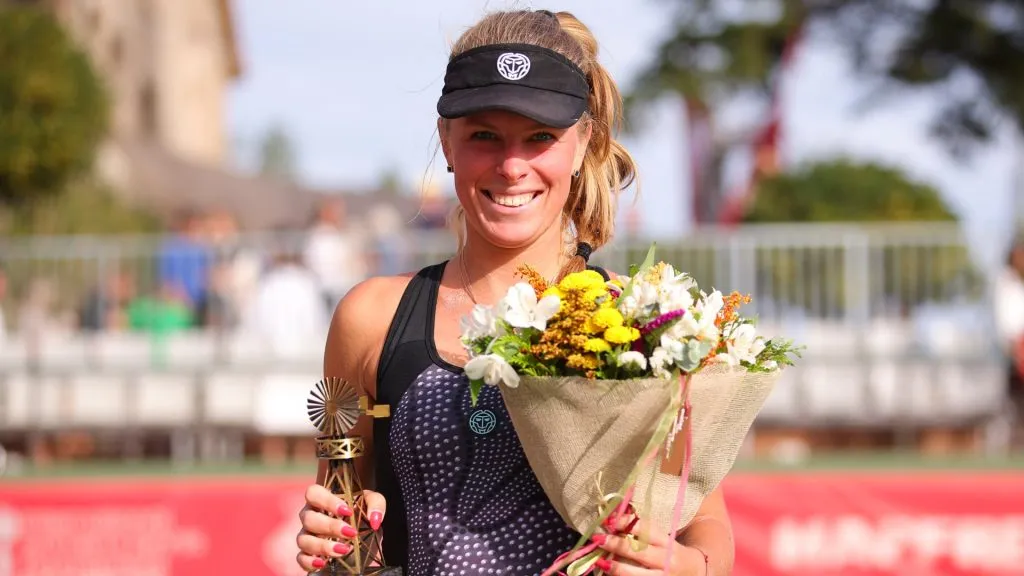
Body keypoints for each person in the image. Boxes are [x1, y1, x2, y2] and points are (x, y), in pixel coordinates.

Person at [295, 10, 736, 575]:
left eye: (540, 138)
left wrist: (682, 566)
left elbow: (707, 526)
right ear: (446, 141)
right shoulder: (371, 317)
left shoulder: (647, 323)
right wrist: (334, 543)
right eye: (484, 136)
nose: (511, 166)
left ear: (582, 146)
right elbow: (341, 517)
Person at [994, 235, 1024, 449]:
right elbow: (1008, 321)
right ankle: (1007, 439)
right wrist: (1016, 348)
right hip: (1015, 347)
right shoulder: (1006, 283)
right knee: (1012, 399)